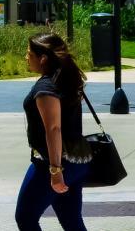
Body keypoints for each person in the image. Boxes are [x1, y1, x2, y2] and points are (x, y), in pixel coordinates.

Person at [16, 32, 91, 231]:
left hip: (54, 163)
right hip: (77, 161)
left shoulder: (45, 87)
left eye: (29, 54)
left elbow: (54, 128)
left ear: (43, 58)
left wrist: (55, 170)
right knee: (71, 221)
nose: (26, 57)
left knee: (25, 217)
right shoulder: (66, 79)